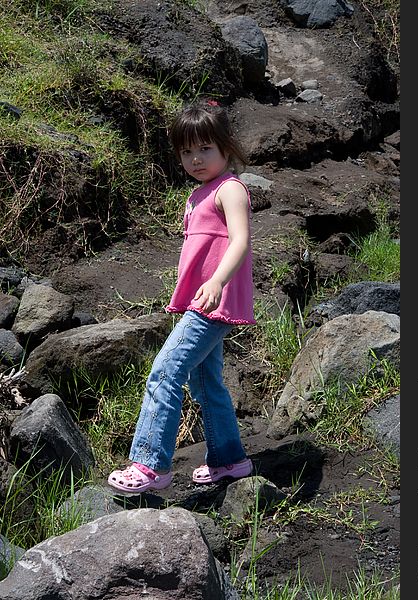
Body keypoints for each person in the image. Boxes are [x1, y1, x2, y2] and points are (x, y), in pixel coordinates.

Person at [107, 101, 255, 492]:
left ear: (226, 146)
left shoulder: (230, 189)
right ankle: (229, 460)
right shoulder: (197, 195)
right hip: (202, 301)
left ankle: (151, 465)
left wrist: (218, 281)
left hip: (213, 302)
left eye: (205, 148)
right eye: (187, 151)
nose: (195, 158)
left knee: (165, 371)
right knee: (205, 381)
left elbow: (240, 240)